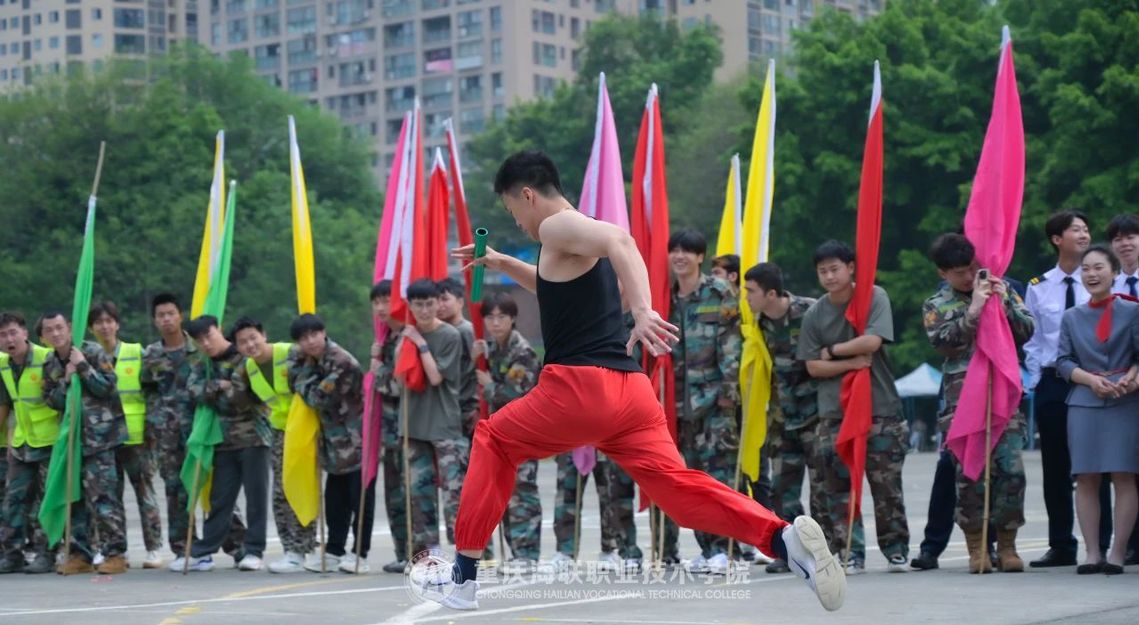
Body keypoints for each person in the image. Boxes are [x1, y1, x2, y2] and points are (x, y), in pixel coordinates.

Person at [431, 151, 844, 612]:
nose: (520, 223)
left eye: (513, 212)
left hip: (579, 388)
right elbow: (551, 286)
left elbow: (622, 240)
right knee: (679, 492)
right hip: (630, 394)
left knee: (493, 440)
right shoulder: (572, 241)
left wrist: (645, 311)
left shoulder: (555, 226)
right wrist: (502, 262)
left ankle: (463, 580)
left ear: (527, 195)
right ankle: (783, 538)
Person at [920, 234, 1034, 573]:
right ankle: (976, 546)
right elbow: (943, 343)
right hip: (962, 402)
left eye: (972, 268)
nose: (969, 277)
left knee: (1011, 472)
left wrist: (1002, 303)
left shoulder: (1001, 288)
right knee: (970, 474)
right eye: (959, 273)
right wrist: (973, 311)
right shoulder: (936, 304)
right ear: (943, 273)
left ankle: (1008, 544)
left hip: (1002, 395)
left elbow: (1027, 329)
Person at [796, 240, 910, 574]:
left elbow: (872, 342)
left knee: (886, 484)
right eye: (823, 271)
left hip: (880, 408)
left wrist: (833, 351)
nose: (829, 277)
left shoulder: (873, 297)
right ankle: (850, 551)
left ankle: (896, 549)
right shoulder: (815, 314)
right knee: (838, 488)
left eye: (835, 269)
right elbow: (813, 367)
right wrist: (850, 362)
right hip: (834, 412)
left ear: (850, 268)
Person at [1023, 210, 1112, 567]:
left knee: (1098, 464)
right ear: (1057, 239)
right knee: (1056, 466)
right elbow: (1032, 340)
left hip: (1095, 381)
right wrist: (1035, 381)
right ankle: (1061, 543)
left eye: (1087, 229)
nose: (1085, 235)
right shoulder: (1038, 286)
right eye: (1076, 230)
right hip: (1053, 383)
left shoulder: (1102, 282)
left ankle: (1100, 544)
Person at [142, 294, 247, 564]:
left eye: (171, 313)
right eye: (161, 315)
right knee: (176, 490)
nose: (166, 319)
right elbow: (147, 389)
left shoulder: (200, 347)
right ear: (155, 321)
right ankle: (185, 548)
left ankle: (236, 545)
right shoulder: (151, 354)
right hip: (168, 434)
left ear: (180, 315)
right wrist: (155, 420)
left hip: (203, 427)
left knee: (217, 488)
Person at [660, 229, 742, 575]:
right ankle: (708, 549)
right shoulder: (664, 297)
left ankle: (725, 549)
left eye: (687, 251)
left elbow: (732, 347)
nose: (679, 256)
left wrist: (727, 397)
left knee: (718, 479)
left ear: (699, 257)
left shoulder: (718, 292)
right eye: (674, 250)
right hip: (678, 407)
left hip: (714, 404)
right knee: (692, 480)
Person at [1056, 245, 1139, 575]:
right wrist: (1090, 380)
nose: (1091, 274)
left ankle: (1118, 552)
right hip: (1084, 401)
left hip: (1125, 400)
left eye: (1099, 267)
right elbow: (1063, 362)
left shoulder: (1133, 312)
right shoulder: (1071, 317)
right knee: (1086, 477)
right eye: (1086, 269)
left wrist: (1133, 377)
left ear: (1115, 272)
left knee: (1124, 475)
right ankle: (1092, 553)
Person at [743, 263, 829, 575]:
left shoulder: (811, 312)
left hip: (816, 416)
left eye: (751, 291)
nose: (746, 297)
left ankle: (827, 552)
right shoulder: (755, 324)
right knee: (782, 488)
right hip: (781, 418)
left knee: (823, 487)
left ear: (771, 294)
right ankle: (791, 553)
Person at [170, 315, 270, 572]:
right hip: (222, 441)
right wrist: (220, 386)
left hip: (253, 438)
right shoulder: (202, 364)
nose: (206, 343)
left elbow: (243, 400)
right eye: (199, 340)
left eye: (209, 336)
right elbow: (193, 392)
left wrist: (220, 392)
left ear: (219, 330)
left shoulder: (243, 357)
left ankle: (254, 550)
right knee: (220, 500)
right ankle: (203, 551)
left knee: (255, 498)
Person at [40, 311, 130, 575]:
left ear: (69, 327)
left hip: (100, 439)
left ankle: (115, 553)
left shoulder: (91, 352)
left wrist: (82, 367)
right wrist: (66, 380)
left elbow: (108, 387)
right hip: (72, 440)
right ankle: (80, 554)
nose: (56, 334)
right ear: (43, 336)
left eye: (59, 327)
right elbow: (52, 401)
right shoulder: (50, 363)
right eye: (49, 330)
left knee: (103, 497)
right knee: (74, 498)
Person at [231, 316, 317, 574]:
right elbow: (242, 399)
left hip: (307, 427)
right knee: (281, 492)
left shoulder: (290, 353)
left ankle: (306, 547)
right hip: (280, 432)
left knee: (304, 486)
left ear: (264, 334)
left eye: (253, 338)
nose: (250, 345)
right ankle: (291, 549)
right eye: (243, 342)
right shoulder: (247, 369)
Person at [287, 314, 371, 574]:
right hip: (333, 445)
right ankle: (335, 550)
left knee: (360, 501)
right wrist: (301, 372)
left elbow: (317, 398)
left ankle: (360, 553)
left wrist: (301, 374)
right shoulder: (310, 360)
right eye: (303, 338)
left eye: (314, 334)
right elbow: (292, 382)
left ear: (324, 332)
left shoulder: (341, 361)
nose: (310, 341)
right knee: (335, 501)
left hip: (356, 442)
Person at [89, 301, 165, 569]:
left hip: (136, 436)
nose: (105, 327)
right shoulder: (88, 357)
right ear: (91, 328)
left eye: (109, 321)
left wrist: (152, 428)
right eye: (99, 322)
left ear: (117, 324)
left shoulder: (136, 353)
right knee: (109, 497)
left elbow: (153, 391)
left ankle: (154, 548)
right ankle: (113, 549)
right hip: (104, 438)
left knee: (145, 493)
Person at [472, 292, 542, 572]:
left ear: (513, 319)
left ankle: (527, 554)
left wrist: (489, 385)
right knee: (505, 491)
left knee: (522, 491)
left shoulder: (521, 352)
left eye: (502, 317)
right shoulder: (492, 350)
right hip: (501, 433)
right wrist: (477, 360)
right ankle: (516, 552)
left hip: (524, 433)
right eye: (490, 317)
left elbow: (516, 394)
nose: (495, 323)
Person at [400, 279, 469, 555]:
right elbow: (399, 378)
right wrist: (406, 343)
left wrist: (420, 344)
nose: (425, 310)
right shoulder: (405, 336)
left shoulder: (450, 335)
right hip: (414, 425)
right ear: (410, 306)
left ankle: (464, 550)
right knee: (420, 493)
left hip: (444, 425)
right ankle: (429, 552)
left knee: (454, 494)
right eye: (419, 305)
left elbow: (436, 376)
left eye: (430, 304)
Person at [0, 311, 59, 574]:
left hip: (49, 441)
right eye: (3, 335)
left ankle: (46, 554)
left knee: (47, 501)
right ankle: (12, 554)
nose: (9, 339)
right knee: (14, 499)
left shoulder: (47, 358)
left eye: (13, 332)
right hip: (22, 443)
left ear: (25, 333)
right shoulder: (4, 365)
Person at [370, 280, 410, 573]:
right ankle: (402, 552)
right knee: (393, 494)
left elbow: (399, 386)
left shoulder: (407, 338)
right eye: (377, 302)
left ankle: (418, 553)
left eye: (387, 300)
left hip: (409, 429)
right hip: (389, 431)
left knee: (411, 496)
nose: (382, 308)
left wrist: (378, 370)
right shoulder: (385, 339)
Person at [1107, 213, 1139, 565]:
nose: (1125, 243)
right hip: (1119, 387)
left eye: (1131, 236)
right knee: (1126, 468)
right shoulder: (1108, 286)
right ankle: (1129, 543)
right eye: (1118, 238)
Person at [437, 277, 480, 441]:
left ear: (460, 302)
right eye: (437, 300)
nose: (440, 305)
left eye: (445, 299)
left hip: (467, 409)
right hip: (448, 409)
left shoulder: (467, 331)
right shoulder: (443, 332)